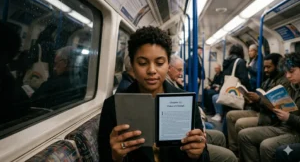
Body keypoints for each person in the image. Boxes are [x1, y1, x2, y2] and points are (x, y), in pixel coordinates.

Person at [98, 26, 209, 162]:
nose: (151, 70)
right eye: (143, 63)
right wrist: (115, 157)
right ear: (132, 65)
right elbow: (104, 157)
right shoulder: (112, 106)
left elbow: (204, 157)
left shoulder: (186, 102)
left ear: (168, 65)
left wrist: (197, 154)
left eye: (159, 63)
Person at [238, 52, 300, 162]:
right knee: (244, 135)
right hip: (284, 126)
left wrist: (289, 118)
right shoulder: (292, 87)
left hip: (296, 132)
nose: (288, 76)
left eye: (291, 72)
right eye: (286, 72)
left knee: (266, 146)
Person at [226, 53, 289, 156]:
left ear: (278, 66)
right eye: (264, 67)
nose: (265, 70)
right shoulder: (268, 80)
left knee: (240, 124)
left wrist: (259, 100)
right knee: (230, 115)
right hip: (261, 110)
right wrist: (251, 100)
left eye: (268, 67)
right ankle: (234, 150)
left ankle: (242, 153)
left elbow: (277, 108)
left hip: (269, 116)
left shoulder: (284, 82)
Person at [211, 44, 250, 122]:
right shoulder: (240, 62)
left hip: (227, 91)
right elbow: (244, 80)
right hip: (236, 93)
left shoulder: (227, 62)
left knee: (227, 113)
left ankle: (225, 132)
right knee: (233, 116)